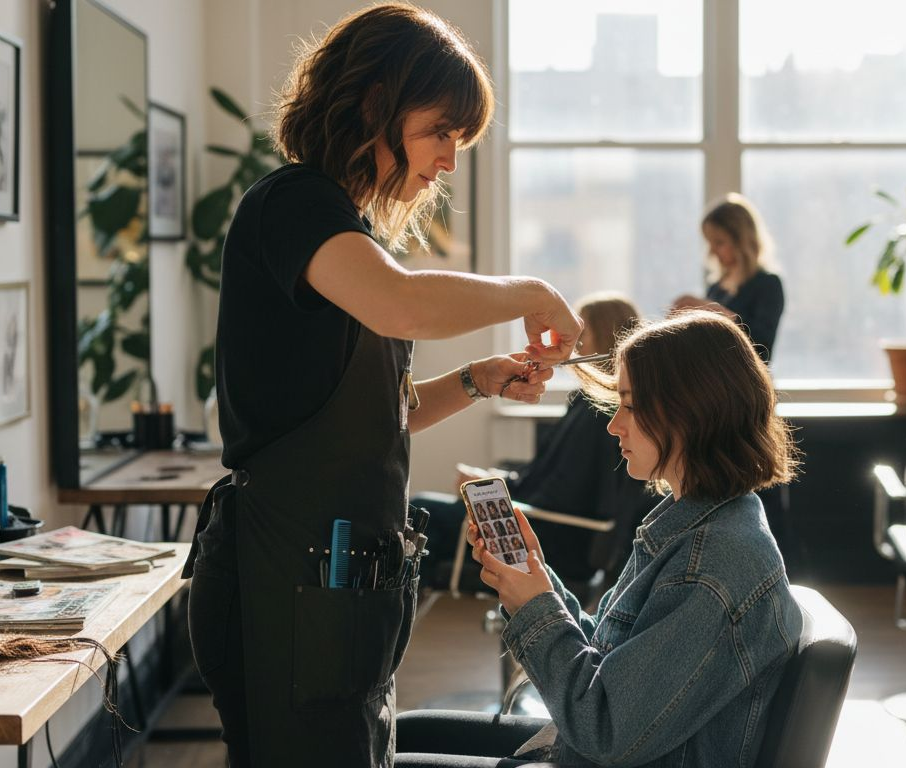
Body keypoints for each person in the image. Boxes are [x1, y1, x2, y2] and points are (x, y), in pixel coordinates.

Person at [183, 6, 583, 767]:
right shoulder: (294, 204)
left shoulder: (347, 232)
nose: (449, 162)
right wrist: (532, 293)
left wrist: (476, 380)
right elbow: (402, 303)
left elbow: (379, 415)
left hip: (341, 596)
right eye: (441, 132)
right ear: (375, 106)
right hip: (285, 587)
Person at [396, 310, 802, 767]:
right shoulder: (698, 525)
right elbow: (610, 657)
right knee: (403, 733)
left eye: (630, 405)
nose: (613, 425)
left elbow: (603, 725)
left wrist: (534, 608)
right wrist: (538, 583)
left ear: (689, 411)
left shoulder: (709, 567)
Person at [414, 292, 656, 588]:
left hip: (550, 541)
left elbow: (559, 497)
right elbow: (545, 478)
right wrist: (493, 481)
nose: (572, 347)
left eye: (582, 336)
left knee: (419, 513)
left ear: (607, 337)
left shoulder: (598, 414)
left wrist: (494, 495)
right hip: (549, 527)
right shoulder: (586, 403)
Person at [672, 193, 784, 363]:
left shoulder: (768, 285)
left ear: (741, 241)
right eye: (709, 243)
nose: (712, 251)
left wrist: (713, 311)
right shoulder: (715, 288)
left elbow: (762, 349)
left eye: (719, 242)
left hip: (746, 379)